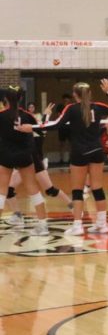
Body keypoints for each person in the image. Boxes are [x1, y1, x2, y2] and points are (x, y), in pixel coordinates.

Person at [38, 80, 108, 235]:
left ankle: (77, 226)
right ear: (89, 94)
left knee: (77, 190)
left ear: (75, 95)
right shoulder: (97, 106)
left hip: (79, 153)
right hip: (97, 151)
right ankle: (102, 224)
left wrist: (39, 123)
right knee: (97, 188)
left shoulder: (71, 108)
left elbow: (56, 125)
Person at [0, 87, 50, 236]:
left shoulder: (1, 115)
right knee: (32, 188)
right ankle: (43, 225)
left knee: (1, 191)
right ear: (21, 99)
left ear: (6, 99)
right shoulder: (27, 115)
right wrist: (44, 118)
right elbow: (43, 130)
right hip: (24, 156)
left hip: (5, 155)